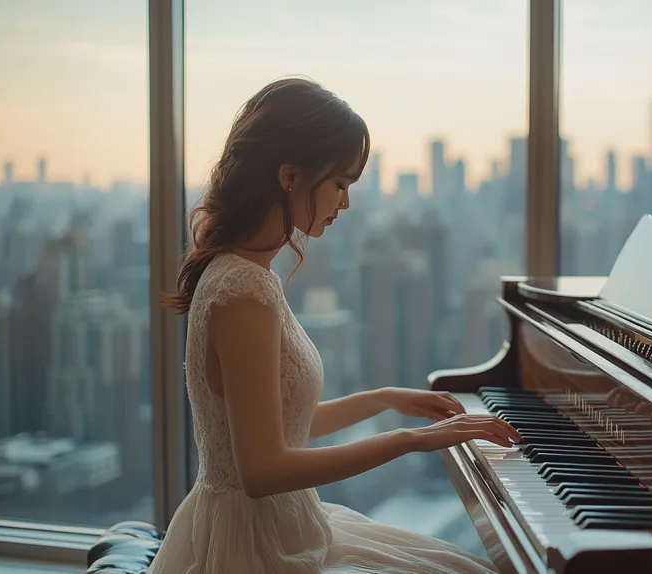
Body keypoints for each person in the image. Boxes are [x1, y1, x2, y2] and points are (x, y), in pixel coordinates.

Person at [147, 77, 521, 574]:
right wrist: (411, 440)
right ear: (289, 175)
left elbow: (283, 424)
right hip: (254, 549)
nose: (344, 203)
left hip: (283, 529)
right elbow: (262, 471)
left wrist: (385, 398)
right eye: (340, 185)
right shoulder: (243, 290)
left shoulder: (245, 274)